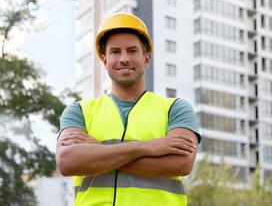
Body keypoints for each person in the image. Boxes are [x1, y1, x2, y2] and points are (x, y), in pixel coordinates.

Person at [56, 12, 201, 206]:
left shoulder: (176, 109)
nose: (124, 58)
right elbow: (67, 162)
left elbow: (181, 163)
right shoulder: (79, 111)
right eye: (115, 52)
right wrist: (147, 147)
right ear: (105, 61)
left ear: (146, 58)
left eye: (132, 51)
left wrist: (99, 152)